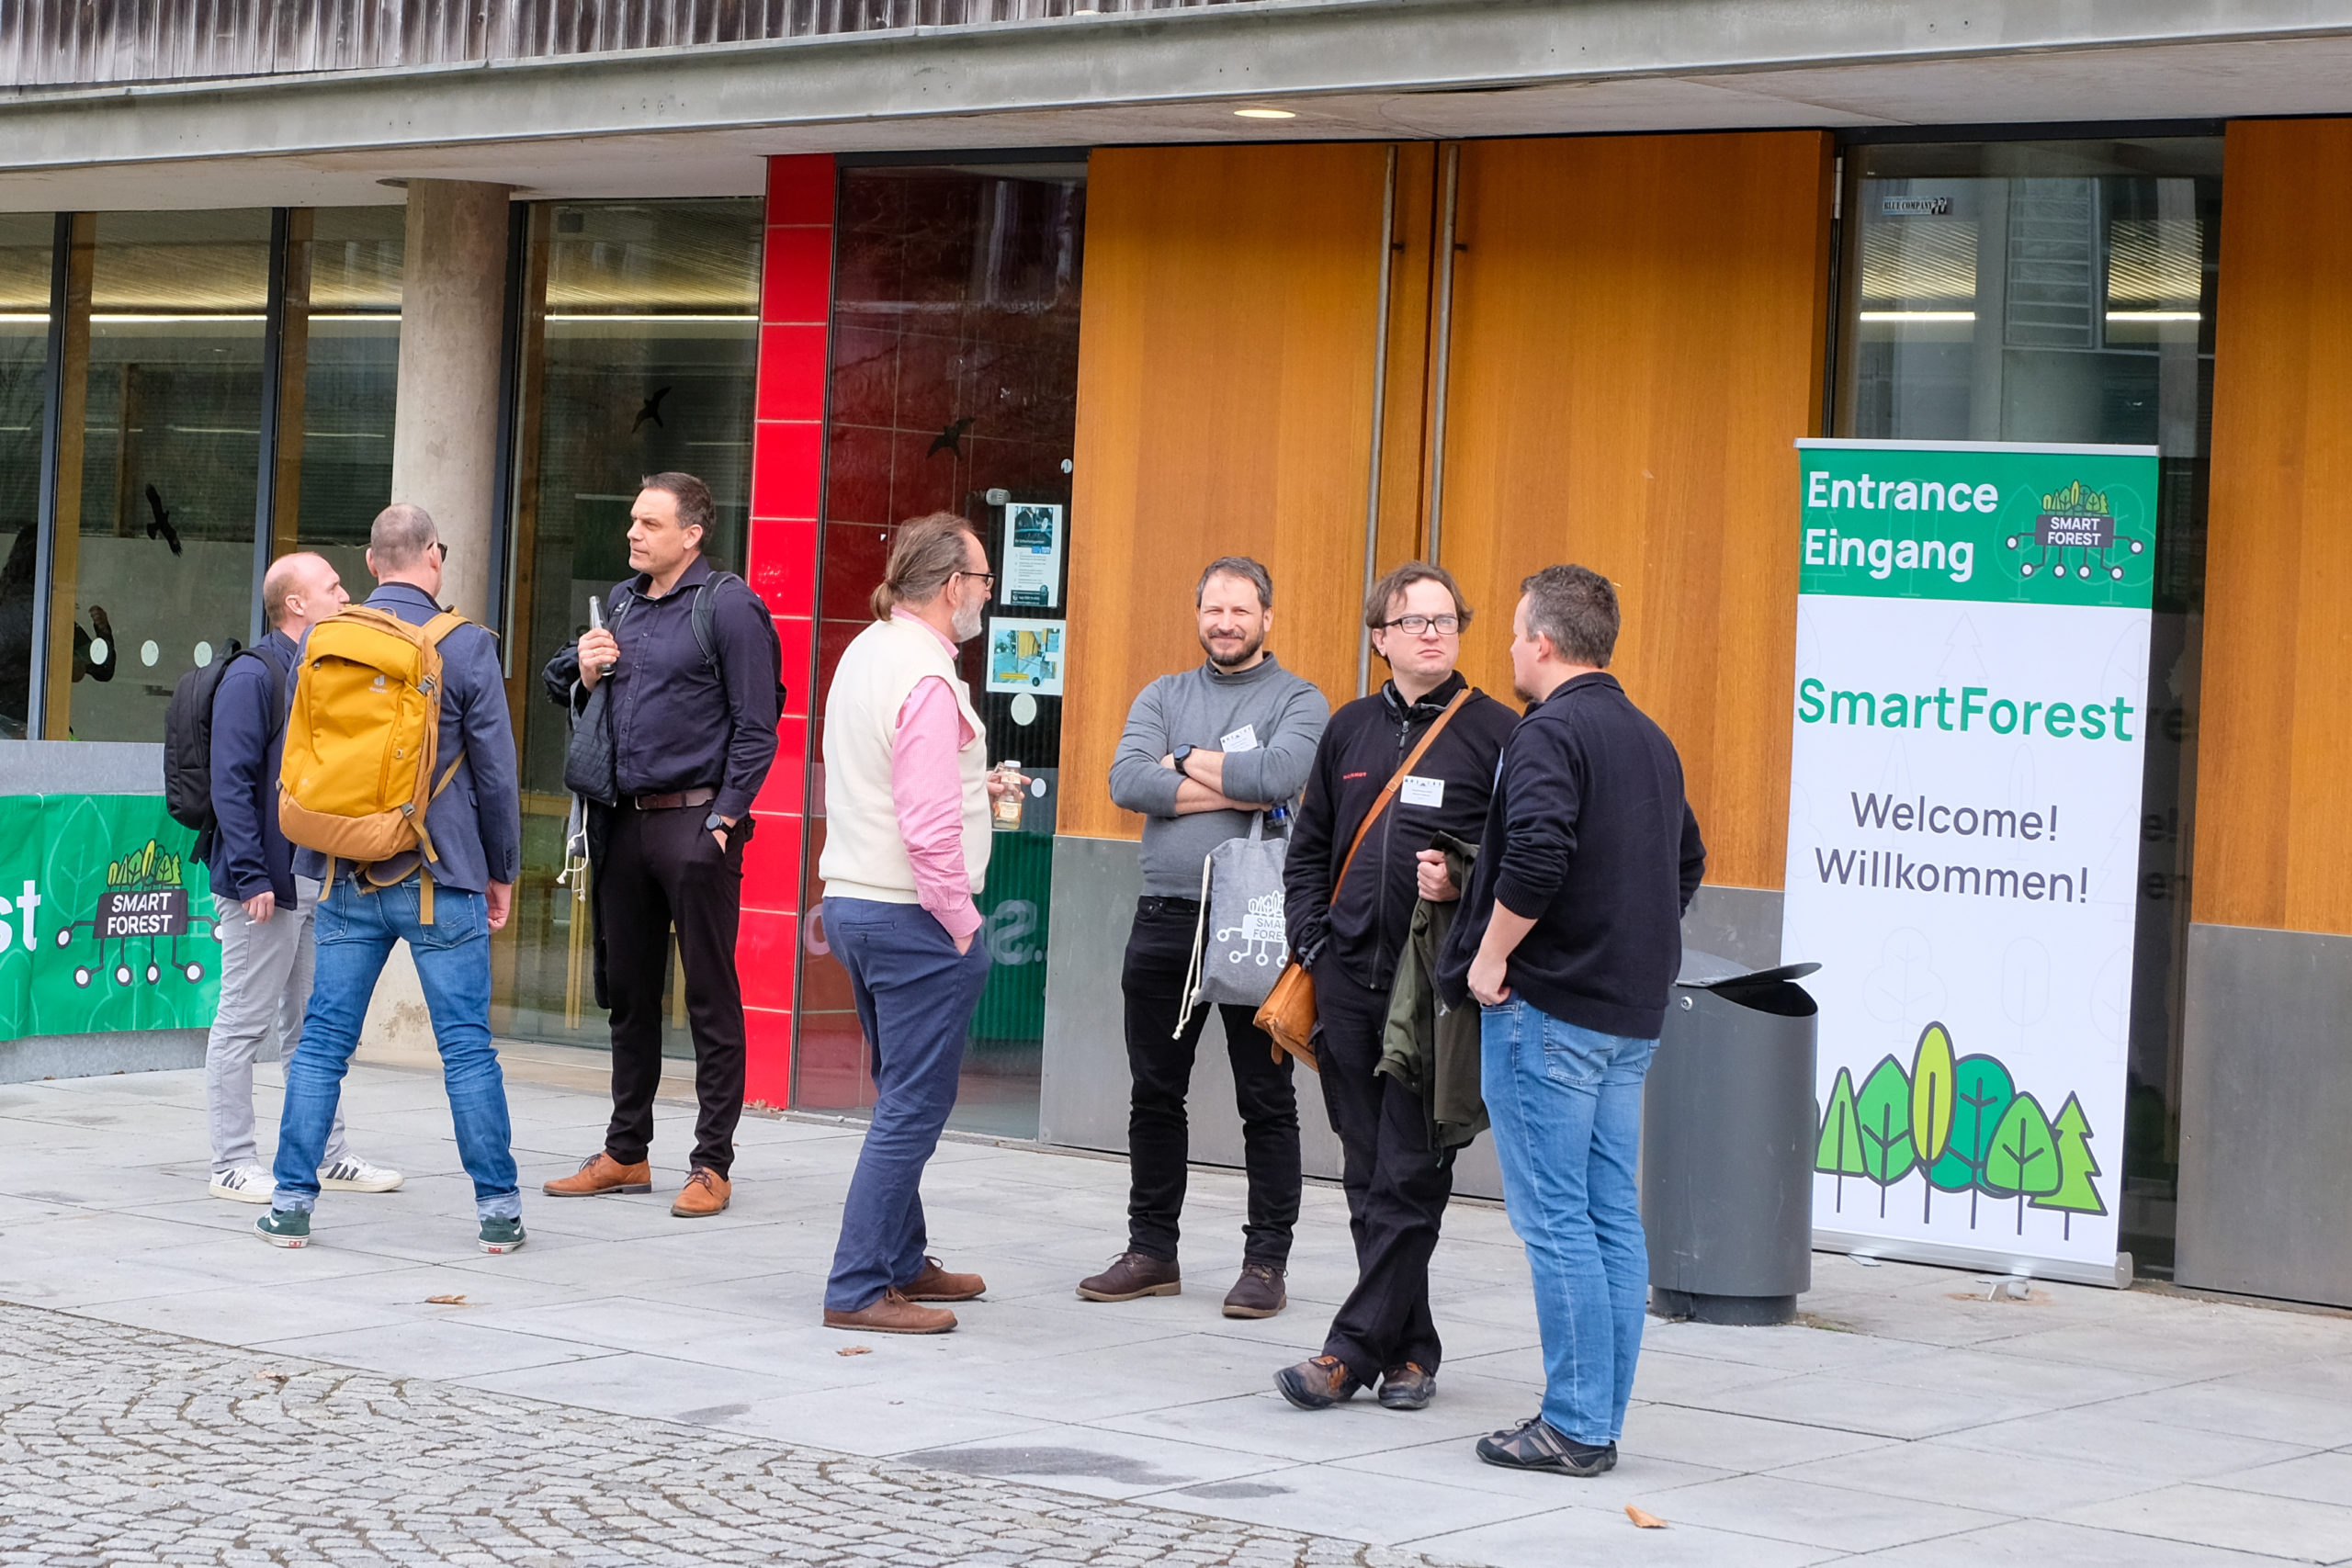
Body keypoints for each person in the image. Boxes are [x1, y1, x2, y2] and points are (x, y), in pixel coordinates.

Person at [1436, 564, 1705, 1477]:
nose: (1508, 648)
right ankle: (1592, 1414)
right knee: (1604, 1217)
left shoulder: (1548, 730)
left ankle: (1576, 1425)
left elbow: (1540, 852)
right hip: (1627, 1016)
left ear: (1543, 643)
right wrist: (1627, 941)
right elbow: (1687, 862)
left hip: (1546, 1012)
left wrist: (1491, 954)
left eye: (1514, 634)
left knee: (1556, 1219)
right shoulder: (1649, 739)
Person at [1270, 561, 1516, 1412]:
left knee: (1412, 1174)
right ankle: (1412, 1349)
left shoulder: (1496, 732)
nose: (1433, 633)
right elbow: (1308, 852)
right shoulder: (1346, 730)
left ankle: (1346, 1352)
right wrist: (1313, 937)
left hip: (1434, 995)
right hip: (1346, 985)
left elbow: (1524, 862)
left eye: (1446, 619)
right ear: (1381, 636)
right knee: (1368, 1174)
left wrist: (1460, 881)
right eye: (1414, 621)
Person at [256, 504, 526, 1255]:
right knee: (468, 1048)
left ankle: (289, 1205)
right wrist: (500, 871)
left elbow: (304, 755)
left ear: (372, 564)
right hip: (444, 875)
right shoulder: (466, 645)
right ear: (433, 558)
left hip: (347, 872)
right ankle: (498, 1212)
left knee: (321, 1044)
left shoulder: (322, 640)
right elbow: (498, 778)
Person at [1080, 557, 1329, 1319]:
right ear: (1198, 615)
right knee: (1156, 1092)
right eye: (1213, 609)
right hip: (1166, 916)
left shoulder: (1299, 698)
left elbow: (1286, 771)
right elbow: (1126, 781)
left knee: (1266, 1096)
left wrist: (1183, 761)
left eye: (1240, 610)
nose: (1225, 622)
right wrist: (1235, 778)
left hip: (1256, 918)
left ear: (1267, 619)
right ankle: (1152, 1249)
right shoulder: (1163, 692)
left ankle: (1265, 1264)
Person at [539, 472, 783, 1218]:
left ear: (692, 534)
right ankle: (626, 1151)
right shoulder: (620, 601)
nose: (634, 534)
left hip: (694, 821)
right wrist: (580, 667)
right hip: (624, 818)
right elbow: (567, 685)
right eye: (632, 522)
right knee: (630, 997)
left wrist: (724, 821)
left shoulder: (729, 606)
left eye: (649, 523)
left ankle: (712, 1162)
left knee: (710, 996)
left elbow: (760, 722)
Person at [817, 512, 1023, 1334]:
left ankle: (902, 1260)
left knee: (898, 1093)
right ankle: (860, 1284)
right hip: (913, 917)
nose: (985, 596)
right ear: (950, 587)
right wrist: (962, 922)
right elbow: (929, 824)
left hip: (859, 901)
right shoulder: (928, 677)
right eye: (981, 581)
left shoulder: (869, 650)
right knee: (912, 1104)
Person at [201, 551, 402, 1204]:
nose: (346, 593)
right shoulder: (254, 677)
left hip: (313, 878)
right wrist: (254, 875)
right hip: (261, 885)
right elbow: (230, 783)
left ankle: (326, 1150)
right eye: (333, 586)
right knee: (244, 1022)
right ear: (296, 604)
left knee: (314, 1026)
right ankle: (231, 1161)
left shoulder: (315, 672)